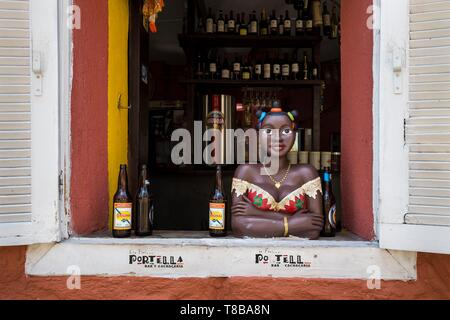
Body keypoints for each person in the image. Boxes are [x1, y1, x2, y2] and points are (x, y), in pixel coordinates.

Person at [231, 108, 324, 239]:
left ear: (295, 135)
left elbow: (314, 228)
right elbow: (239, 226)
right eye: (268, 131)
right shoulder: (246, 172)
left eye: (286, 131)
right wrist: (293, 224)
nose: (278, 138)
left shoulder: (307, 173)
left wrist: (257, 213)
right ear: (258, 135)